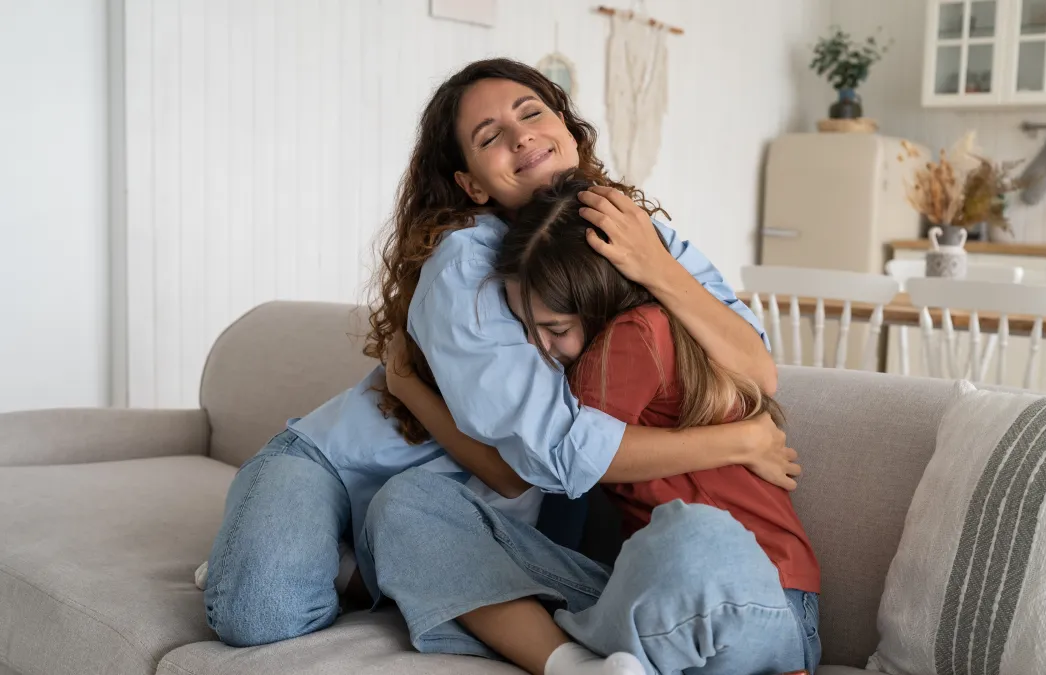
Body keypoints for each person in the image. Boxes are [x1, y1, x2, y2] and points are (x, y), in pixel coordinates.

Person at [202, 57, 798, 670]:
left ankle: (366, 563)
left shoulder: (642, 235)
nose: (520, 137)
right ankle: (295, 546)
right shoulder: (469, 261)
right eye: (489, 137)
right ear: (473, 185)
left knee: (419, 530)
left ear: (569, 128)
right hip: (348, 460)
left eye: (532, 112)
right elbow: (548, 460)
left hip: (458, 503)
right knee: (261, 613)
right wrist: (741, 440)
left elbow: (758, 371)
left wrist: (657, 267)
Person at [379, 173, 821, 675]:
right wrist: (741, 441)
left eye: (554, 329)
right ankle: (579, 665)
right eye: (523, 328)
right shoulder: (630, 336)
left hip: (753, 592)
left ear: (596, 299)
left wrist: (410, 388)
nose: (537, 348)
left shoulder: (631, 338)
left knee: (694, 533)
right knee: (409, 501)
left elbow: (552, 467)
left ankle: (590, 648)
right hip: (651, 600)